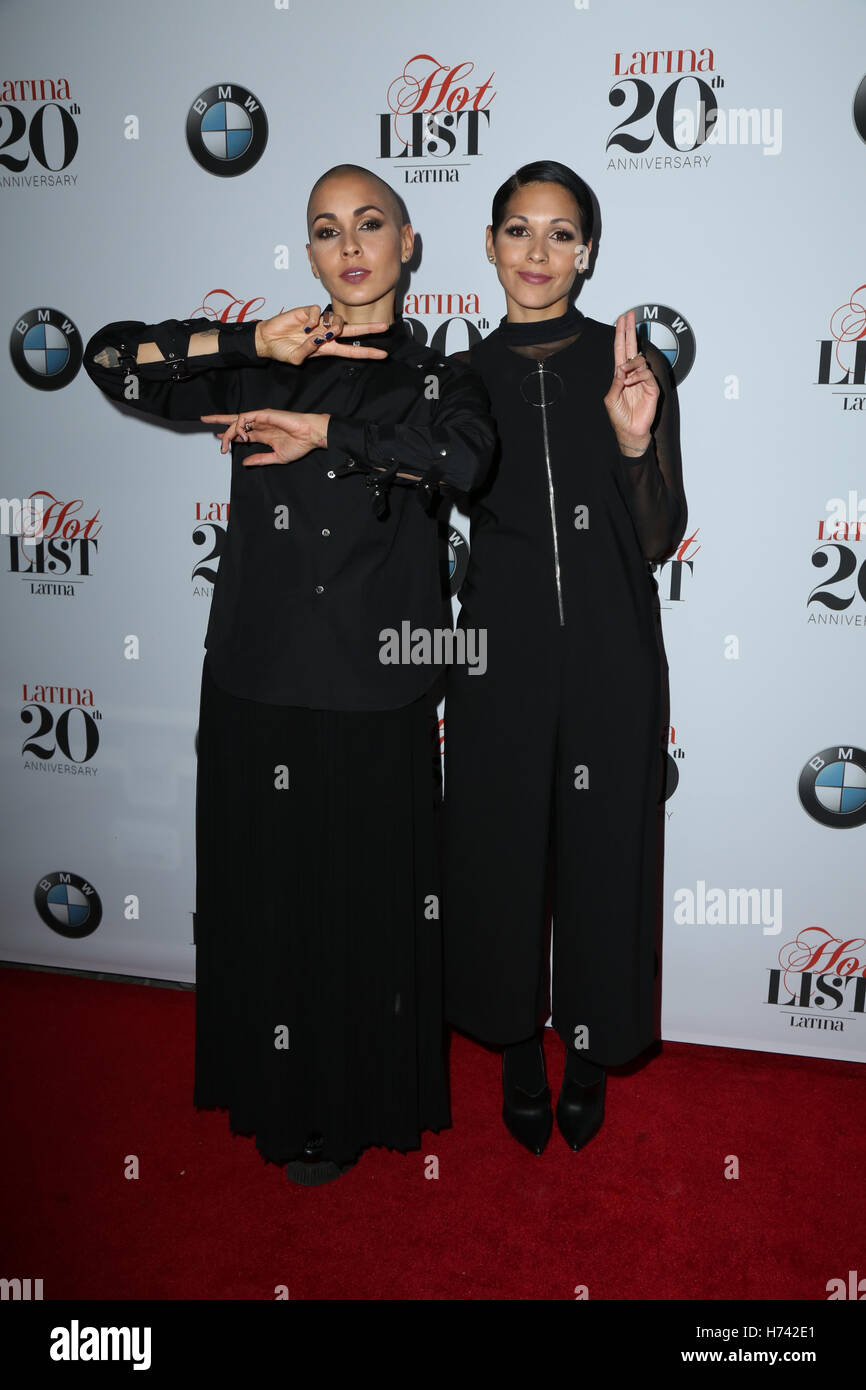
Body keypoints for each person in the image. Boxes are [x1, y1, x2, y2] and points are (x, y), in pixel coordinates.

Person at [83, 164, 495, 1184]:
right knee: (268, 902)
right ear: (306, 252)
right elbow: (109, 362)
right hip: (257, 682)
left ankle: (356, 1100)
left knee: (366, 909)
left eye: (368, 223)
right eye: (324, 229)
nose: (347, 244)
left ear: (408, 244)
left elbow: (463, 463)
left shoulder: (445, 374)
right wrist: (239, 343)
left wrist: (324, 433)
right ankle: (278, 1097)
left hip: (379, 689)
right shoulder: (263, 362)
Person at [441, 160, 686, 1155]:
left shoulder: (626, 365)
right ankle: (512, 1052)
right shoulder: (458, 378)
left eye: (558, 233)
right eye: (516, 230)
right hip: (495, 655)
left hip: (609, 652)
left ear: (586, 251)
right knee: (496, 859)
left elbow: (659, 533)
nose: (536, 253)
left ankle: (586, 1054)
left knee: (601, 858)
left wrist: (633, 442)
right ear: (491, 245)